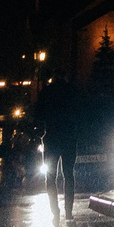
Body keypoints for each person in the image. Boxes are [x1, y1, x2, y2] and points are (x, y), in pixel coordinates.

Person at [40, 73, 81, 208]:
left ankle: (54, 210)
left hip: (52, 137)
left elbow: (38, 114)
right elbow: (81, 113)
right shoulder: (73, 91)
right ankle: (68, 211)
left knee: (51, 176)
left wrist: (40, 133)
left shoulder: (47, 92)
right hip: (69, 137)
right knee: (69, 174)